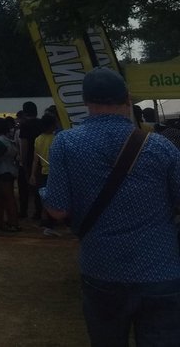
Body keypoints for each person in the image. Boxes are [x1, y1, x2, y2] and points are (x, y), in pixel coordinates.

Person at [45, 68, 180, 346]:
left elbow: (57, 210)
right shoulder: (161, 146)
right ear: (128, 99)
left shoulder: (66, 143)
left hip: (102, 268)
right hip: (161, 268)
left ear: (85, 100)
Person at [31, 111, 60, 236]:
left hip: (43, 171)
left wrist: (32, 174)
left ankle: (45, 223)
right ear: (52, 125)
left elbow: (35, 159)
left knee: (45, 198)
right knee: (54, 199)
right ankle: (50, 225)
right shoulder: (57, 139)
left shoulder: (38, 139)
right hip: (55, 172)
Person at [0, 118, 21, 233]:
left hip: (3, 170)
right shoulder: (7, 139)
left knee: (8, 198)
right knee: (3, 198)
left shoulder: (0, 141)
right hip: (8, 169)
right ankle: (4, 221)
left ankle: (13, 222)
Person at [16, 101, 42, 219]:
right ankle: (38, 212)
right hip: (41, 158)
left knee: (24, 188)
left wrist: (22, 160)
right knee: (39, 187)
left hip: (29, 158)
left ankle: (23, 211)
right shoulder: (41, 123)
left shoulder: (24, 125)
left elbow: (24, 144)